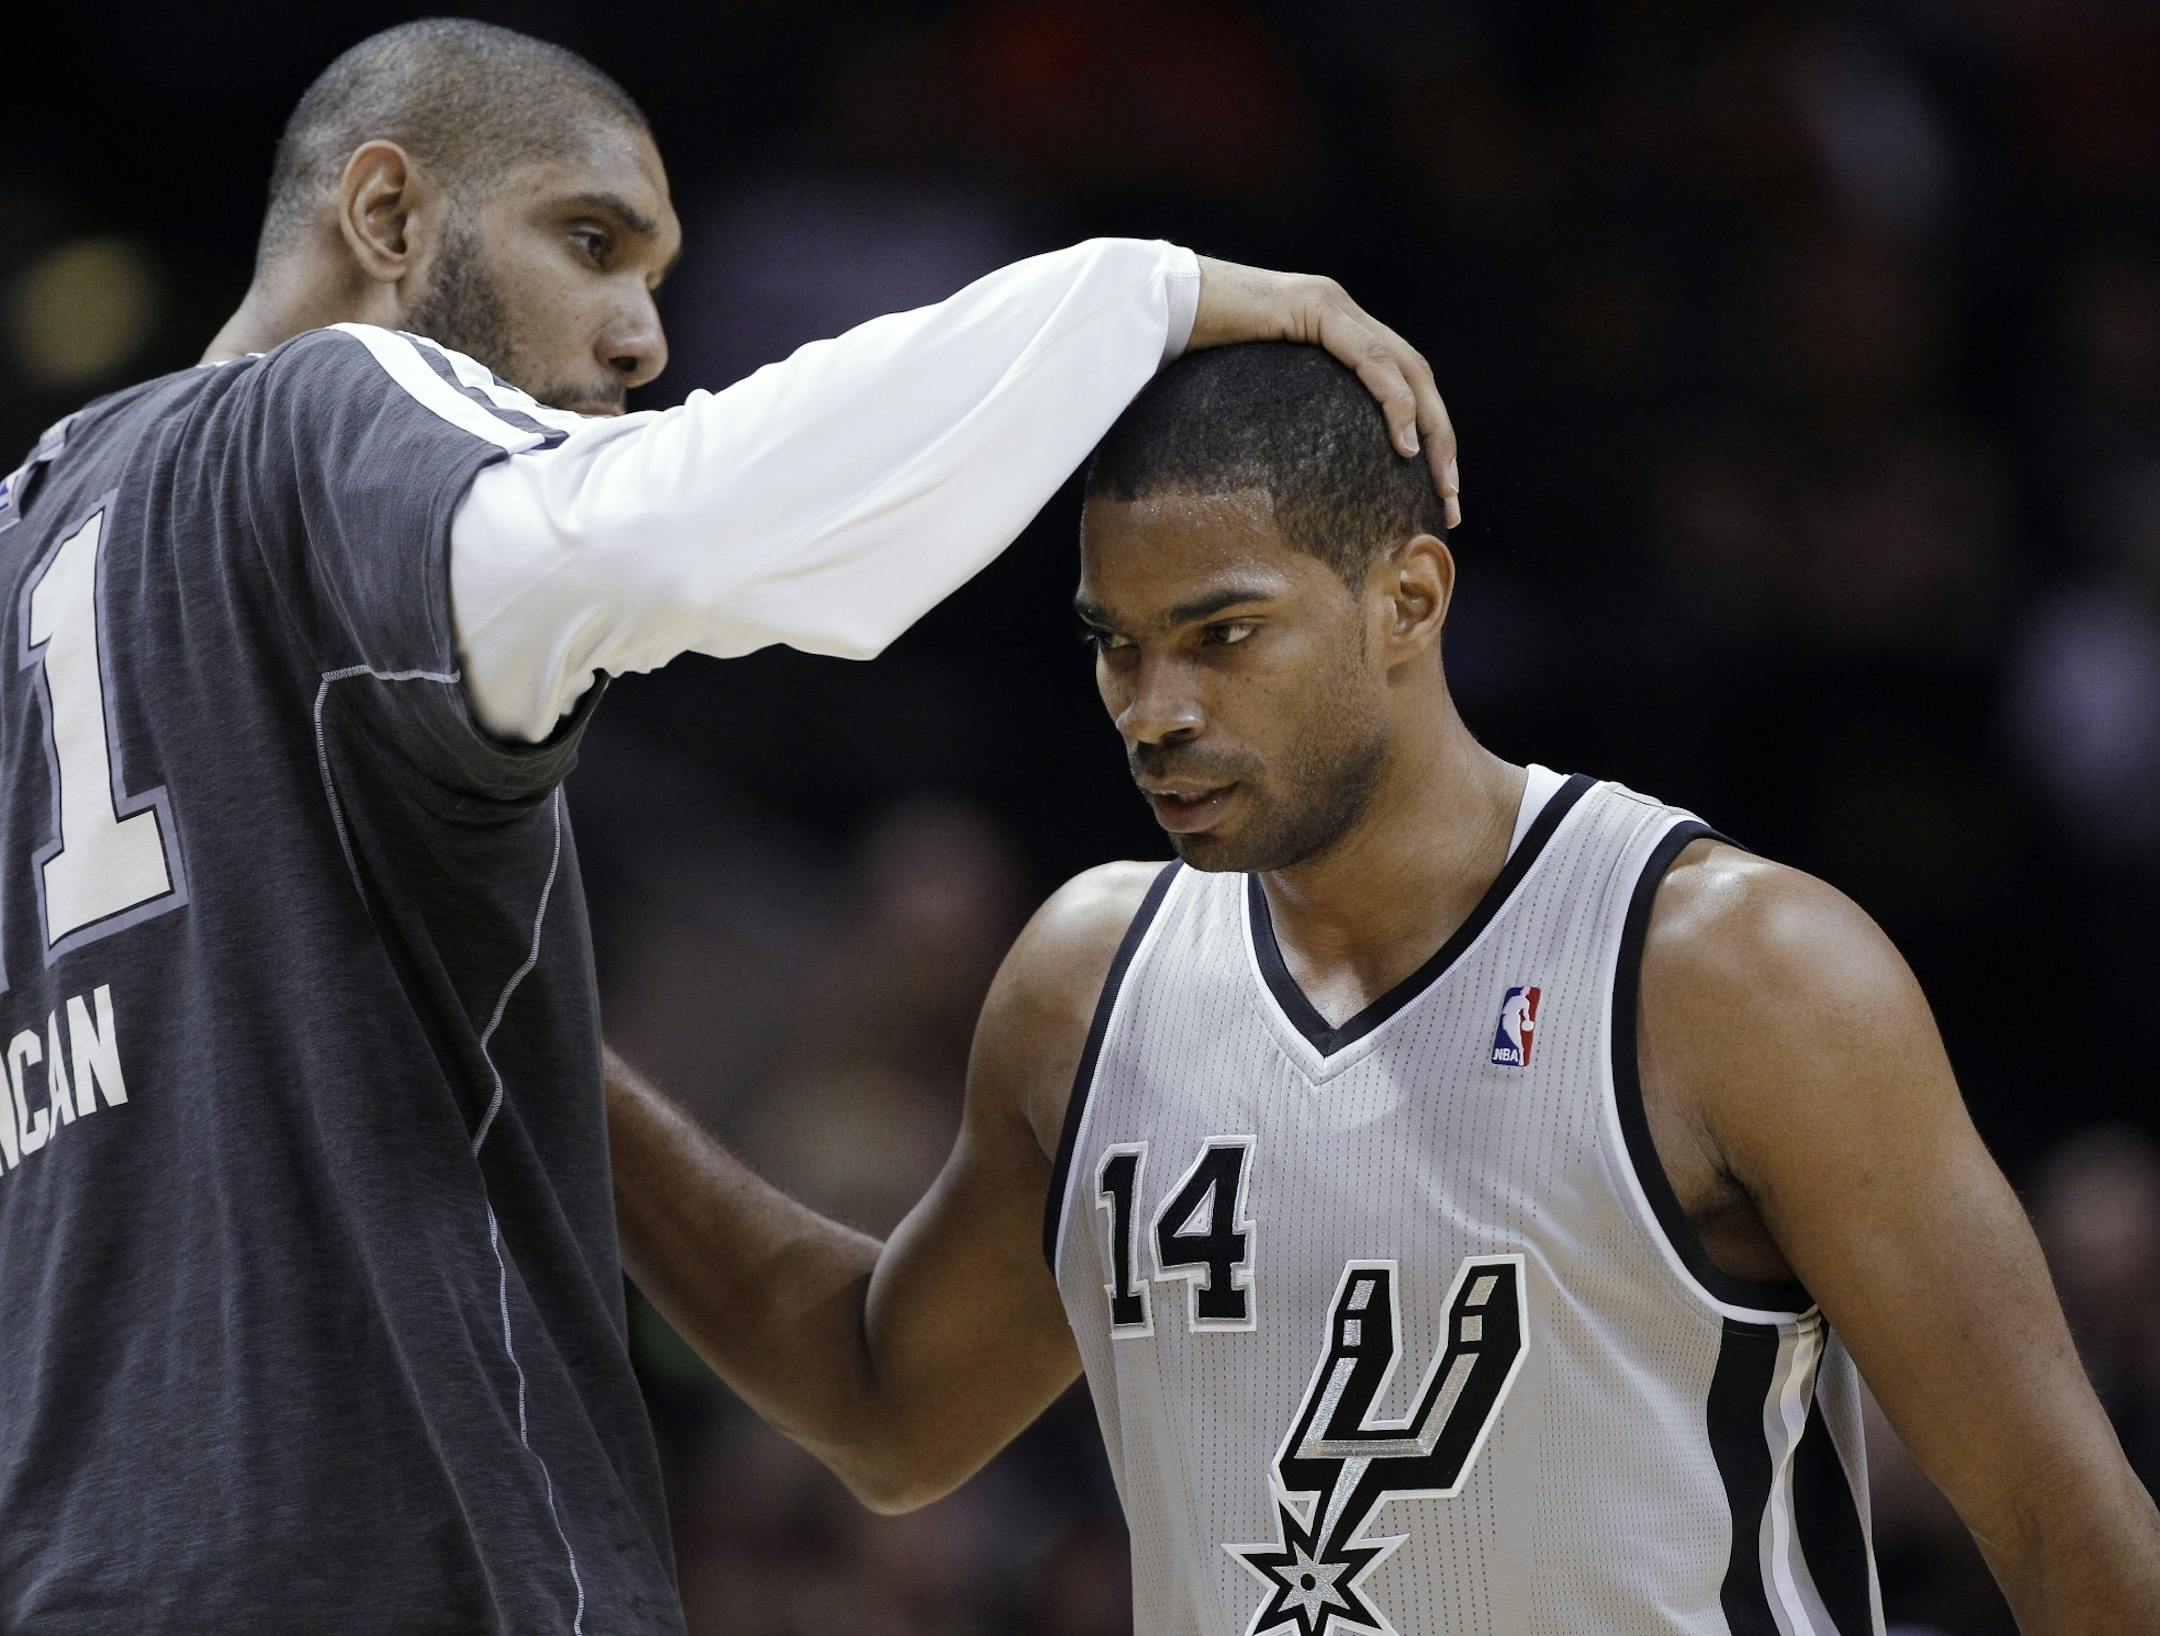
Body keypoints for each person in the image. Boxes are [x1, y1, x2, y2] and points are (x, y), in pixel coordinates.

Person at [0, 17, 1460, 1633]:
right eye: (591, 243)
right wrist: (1145, 294)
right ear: (390, 217)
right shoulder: (331, 413)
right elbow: (691, 526)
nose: (638, 335)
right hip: (393, 1557)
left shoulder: (28, 543)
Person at [607, 343, 2160, 1634]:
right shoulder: (1090, 986)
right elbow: (889, 1412)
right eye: (1119, 649)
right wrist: (536, 1051)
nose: (1156, 710)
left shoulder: (1733, 973)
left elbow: (2070, 1540)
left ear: (1408, 599)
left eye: (1223, 636)